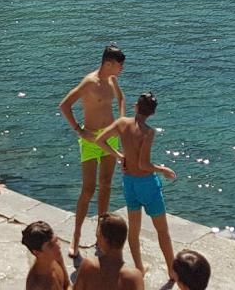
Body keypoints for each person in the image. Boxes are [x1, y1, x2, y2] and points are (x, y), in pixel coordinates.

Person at [93, 92, 177, 283]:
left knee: (134, 229)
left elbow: (99, 140)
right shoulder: (148, 132)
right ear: (152, 113)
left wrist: (119, 156)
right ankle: (172, 271)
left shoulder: (122, 123)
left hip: (129, 183)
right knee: (162, 230)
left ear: (136, 107)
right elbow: (144, 165)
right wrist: (163, 169)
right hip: (147, 184)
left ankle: (139, 267)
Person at [59, 45, 127, 259]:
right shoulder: (90, 82)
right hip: (90, 140)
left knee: (106, 185)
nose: (121, 68)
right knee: (88, 190)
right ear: (108, 63)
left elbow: (121, 99)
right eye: (119, 65)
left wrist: (122, 123)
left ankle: (101, 234)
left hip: (110, 137)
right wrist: (79, 131)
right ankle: (76, 237)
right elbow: (64, 105)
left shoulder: (112, 80)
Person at [72, 214, 143, 290]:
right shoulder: (134, 277)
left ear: (104, 240)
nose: (97, 236)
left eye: (99, 233)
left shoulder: (89, 266)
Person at [22, 220, 70, 290]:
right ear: (37, 252)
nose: (58, 246)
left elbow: (67, 285)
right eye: (51, 245)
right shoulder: (36, 286)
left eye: (56, 240)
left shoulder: (56, 257)